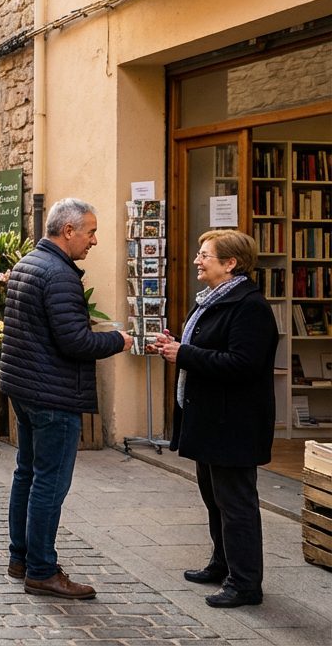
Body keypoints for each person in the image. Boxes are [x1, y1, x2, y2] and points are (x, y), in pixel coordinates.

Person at [0, 198, 133, 600]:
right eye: (91, 232)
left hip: (27, 386)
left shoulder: (29, 263)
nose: (94, 240)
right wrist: (117, 340)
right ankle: (41, 570)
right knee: (49, 482)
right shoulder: (58, 274)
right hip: (52, 393)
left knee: (27, 473)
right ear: (69, 230)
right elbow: (75, 342)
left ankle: (21, 558)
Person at [151, 229, 276, 609]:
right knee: (215, 500)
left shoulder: (250, 307)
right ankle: (222, 565)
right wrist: (176, 347)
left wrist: (184, 354)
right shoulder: (213, 300)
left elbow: (243, 364)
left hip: (233, 424)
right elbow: (205, 348)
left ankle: (245, 584)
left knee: (236, 505)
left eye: (204, 255)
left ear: (230, 263)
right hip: (209, 420)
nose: (197, 261)